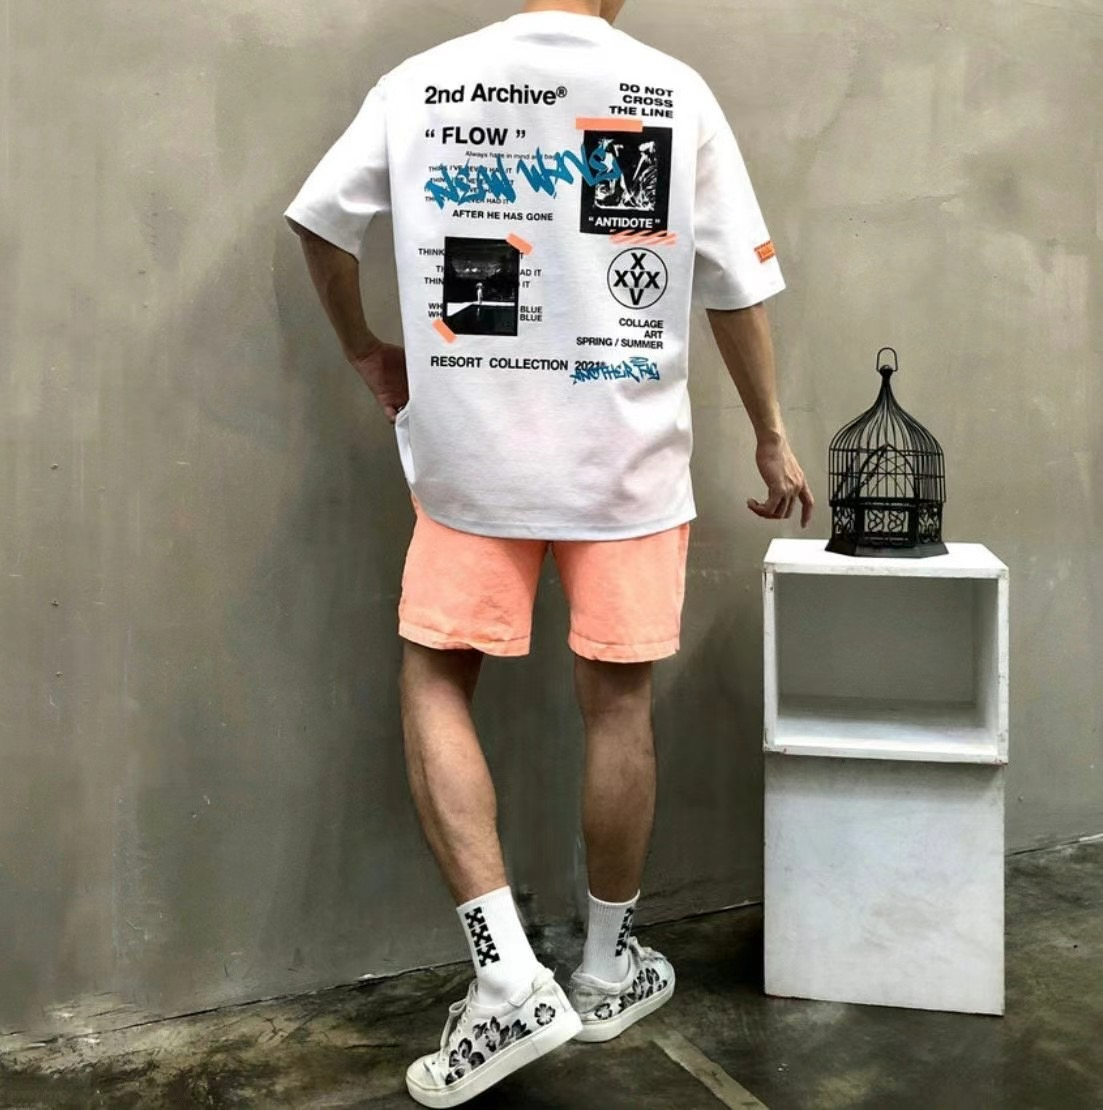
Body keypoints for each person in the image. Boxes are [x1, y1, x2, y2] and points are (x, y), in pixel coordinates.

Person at [284, 0, 814, 1104]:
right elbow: (736, 285)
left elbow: (319, 222)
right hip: (624, 463)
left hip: (473, 459)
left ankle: (505, 980)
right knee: (617, 704)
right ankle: (607, 973)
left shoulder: (423, 81)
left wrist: (367, 351)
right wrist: (769, 432)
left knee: (435, 679)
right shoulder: (669, 91)